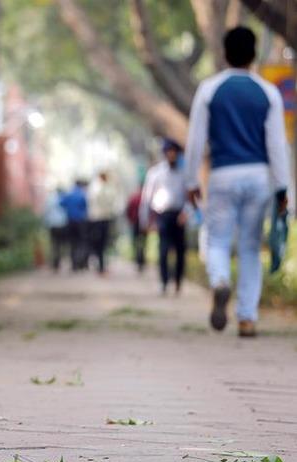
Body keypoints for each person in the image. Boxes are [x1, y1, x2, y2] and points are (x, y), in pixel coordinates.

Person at [185, 26, 291, 337]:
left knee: (217, 240)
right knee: (249, 247)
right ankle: (247, 317)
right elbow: (277, 145)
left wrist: (192, 181)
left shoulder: (209, 89)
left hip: (222, 175)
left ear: (224, 53)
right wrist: (283, 188)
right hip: (258, 176)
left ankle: (219, 281)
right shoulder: (268, 92)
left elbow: (195, 141)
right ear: (254, 54)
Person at [140, 139, 188, 295]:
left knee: (180, 251)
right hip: (163, 215)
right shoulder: (155, 173)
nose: (172, 155)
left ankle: (178, 281)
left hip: (179, 215)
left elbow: (190, 196)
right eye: (169, 152)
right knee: (163, 249)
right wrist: (145, 220)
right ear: (165, 153)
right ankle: (164, 281)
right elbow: (147, 198)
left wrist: (186, 212)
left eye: (175, 152)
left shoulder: (184, 173)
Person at [87, 171, 119, 275]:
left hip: (102, 218)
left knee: (103, 244)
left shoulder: (98, 187)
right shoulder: (98, 188)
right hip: (99, 219)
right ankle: (100, 266)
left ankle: (101, 266)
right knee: (100, 243)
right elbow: (108, 200)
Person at [60, 180, 89, 272]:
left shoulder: (68, 194)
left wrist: (69, 209)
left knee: (72, 243)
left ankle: (74, 264)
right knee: (81, 242)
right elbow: (86, 206)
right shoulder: (82, 194)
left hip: (70, 221)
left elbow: (61, 203)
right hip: (80, 221)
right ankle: (80, 263)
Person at [43, 188, 69, 272]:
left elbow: (46, 212)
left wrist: (46, 223)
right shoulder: (63, 198)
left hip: (53, 224)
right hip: (62, 224)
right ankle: (58, 261)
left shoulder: (49, 199)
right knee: (61, 243)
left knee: (54, 244)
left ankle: (56, 263)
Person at [125, 182, 146, 273]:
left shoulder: (134, 197)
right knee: (143, 242)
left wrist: (130, 220)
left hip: (135, 222)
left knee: (137, 241)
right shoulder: (146, 198)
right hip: (143, 223)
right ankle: (141, 259)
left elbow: (128, 210)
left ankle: (138, 259)